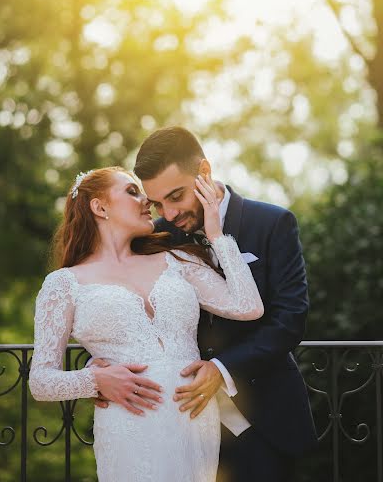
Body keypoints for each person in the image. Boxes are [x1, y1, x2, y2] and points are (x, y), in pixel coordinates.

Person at [29, 166, 264, 482]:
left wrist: (217, 236)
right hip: (129, 423)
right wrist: (95, 380)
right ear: (99, 207)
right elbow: (41, 381)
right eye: (132, 191)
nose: (147, 202)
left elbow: (248, 307)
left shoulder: (177, 260)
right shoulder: (63, 284)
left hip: (194, 418)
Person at [131, 126, 318, 482]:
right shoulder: (156, 237)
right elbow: (126, 303)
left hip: (264, 420)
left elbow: (290, 319)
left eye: (176, 196)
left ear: (204, 172)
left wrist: (221, 368)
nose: (168, 214)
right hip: (182, 423)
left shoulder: (273, 223)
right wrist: (101, 366)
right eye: (157, 203)